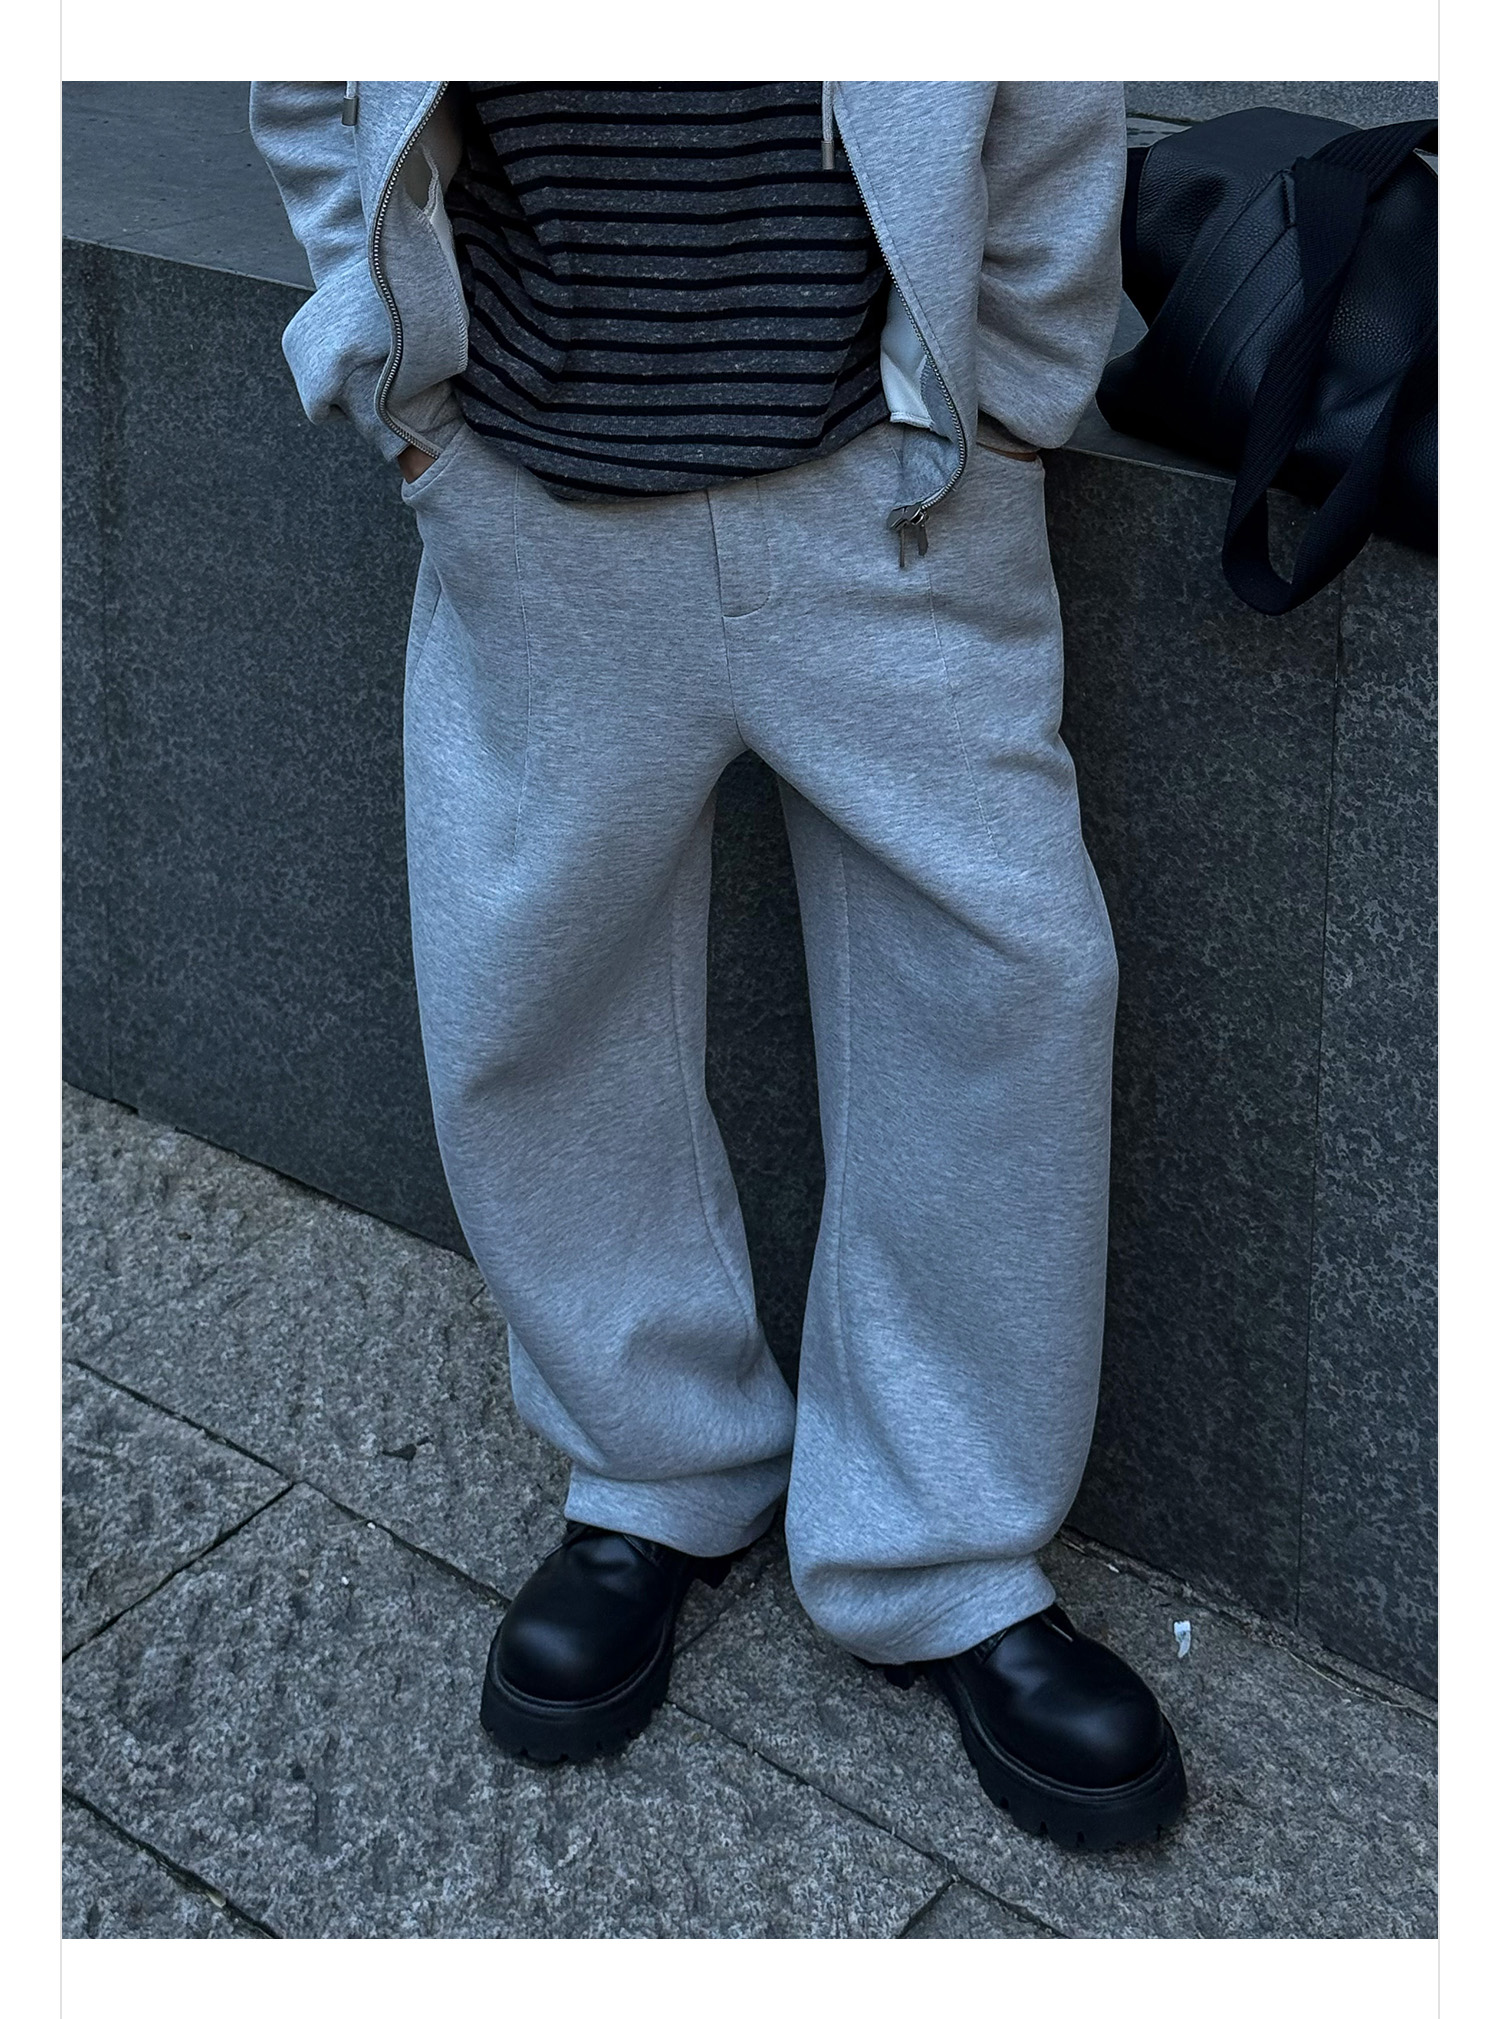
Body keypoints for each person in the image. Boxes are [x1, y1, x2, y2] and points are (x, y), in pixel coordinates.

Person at [250, 80, 1187, 1852]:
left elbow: (1047, 81)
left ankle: (941, 1545)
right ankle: (654, 1467)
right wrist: (400, 389)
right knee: (535, 992)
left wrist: (1011, 406)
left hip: (895, 487)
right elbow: (309, 73)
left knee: (1007, 983)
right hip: (531, 480)